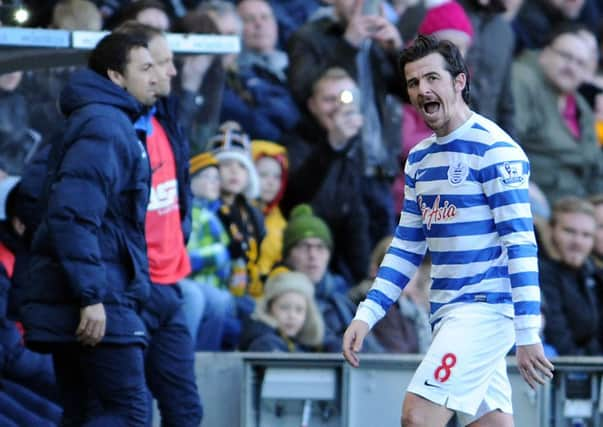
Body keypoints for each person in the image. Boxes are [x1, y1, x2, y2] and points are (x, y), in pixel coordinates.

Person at [342, 35, 554, 427]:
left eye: (432, 78)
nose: (422, 90)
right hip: (446, 311)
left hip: (485, 311)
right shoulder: (420, 159)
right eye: (412, 83)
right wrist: (366, 314)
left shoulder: (496, 150)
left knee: (418, 416)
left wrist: (527, 332)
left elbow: (521, 245)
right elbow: (406, 248)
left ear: (460, 81)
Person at [14, 31, 158, 426]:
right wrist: (91, 296)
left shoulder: (99, 121)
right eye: (145, 68)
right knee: (129, 414)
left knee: (83, 414)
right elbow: (72, 215)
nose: (156, 77)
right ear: (116, 76)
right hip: (98, 300)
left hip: (86, 292)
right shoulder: (106, 127)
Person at [114, 21, 203, 426]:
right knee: (132, 414)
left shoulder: (165, 117)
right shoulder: (108, 128)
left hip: (170, 286)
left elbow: (179, 192)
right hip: (131, 290)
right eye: (160, 63)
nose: (171, 71)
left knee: (186, 412)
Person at [538, 196, 602, 356]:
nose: (578, 242)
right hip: (560, 372)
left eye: (586, 235)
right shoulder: (537, 272)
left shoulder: (592, 272)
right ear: (551, 230)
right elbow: (558, 338)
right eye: (569, 231)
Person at [239, 270, 325, 352]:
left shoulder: (304, 343)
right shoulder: (265, 345)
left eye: (299, 310)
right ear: (269, 308)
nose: (292, 316)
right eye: (284, 307)